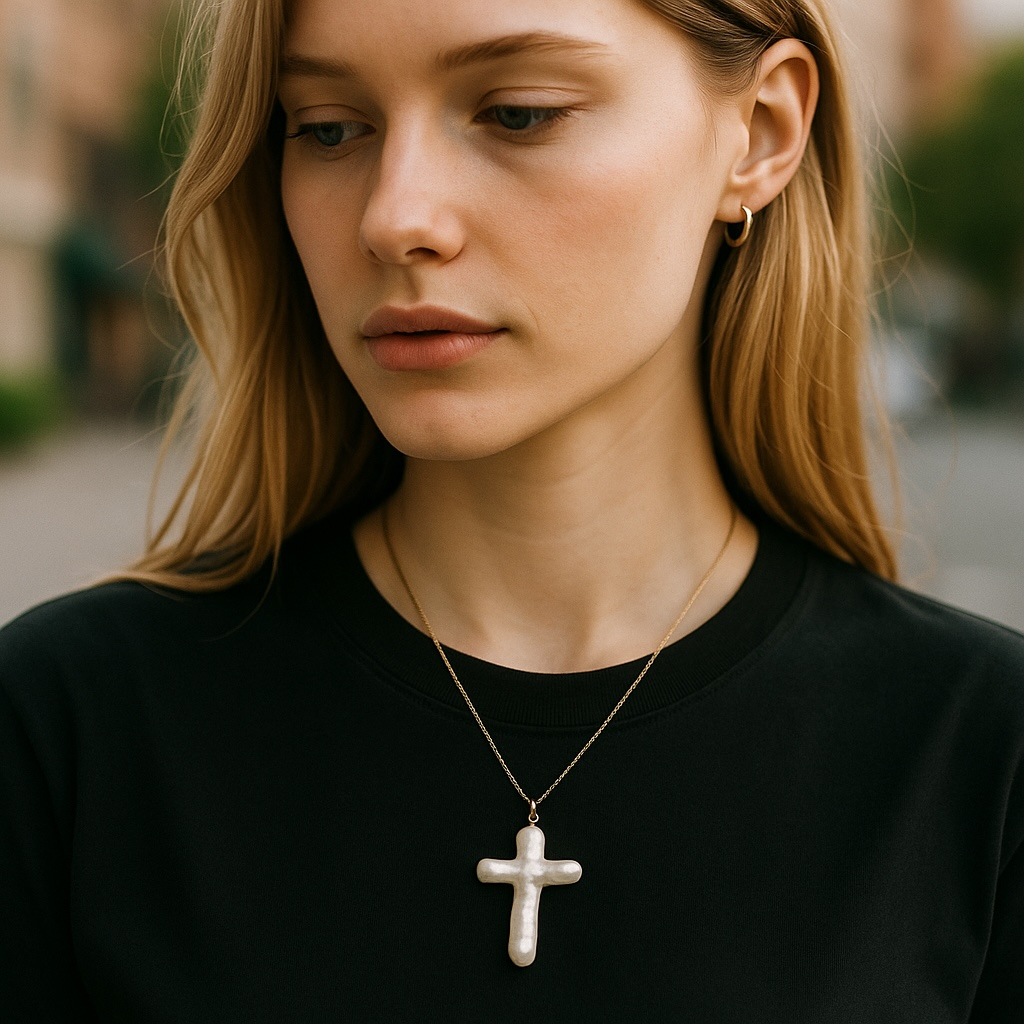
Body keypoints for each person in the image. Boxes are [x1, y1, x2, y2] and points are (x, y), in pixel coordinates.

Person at [2, 0, 1022, 1019]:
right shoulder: (67, 733)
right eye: (328, 128)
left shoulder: (983, 756)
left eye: (519, 113)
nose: (394, 217)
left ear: (759, 134)